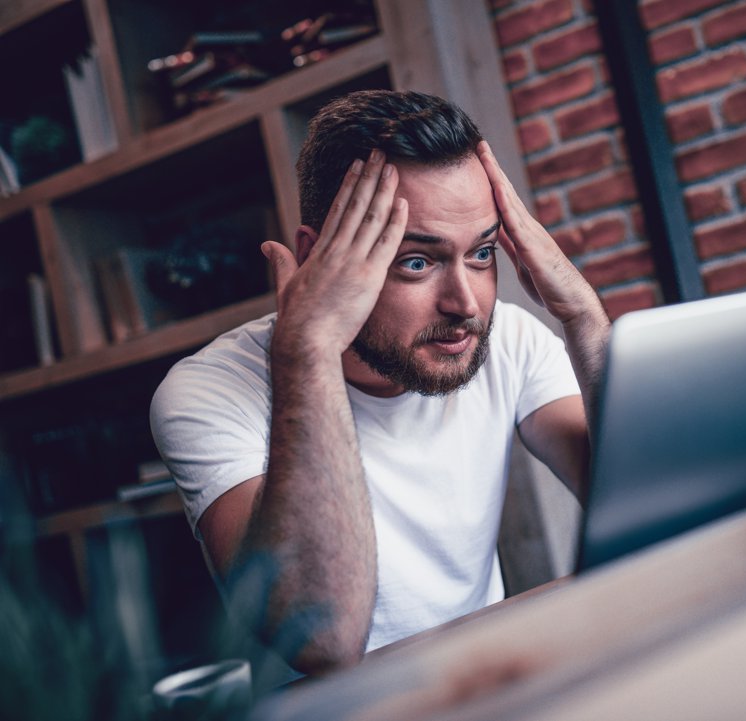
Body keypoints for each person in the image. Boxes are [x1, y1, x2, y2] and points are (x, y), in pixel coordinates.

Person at [149, 89, 610, 675]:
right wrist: (307, 348)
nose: (465, 303)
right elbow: (321, 641)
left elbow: (639, 501)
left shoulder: (508, 340)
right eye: (416, 262)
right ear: (318, 258)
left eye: (482, 253)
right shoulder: (207, 391)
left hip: (490, 685)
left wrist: (583, 318)